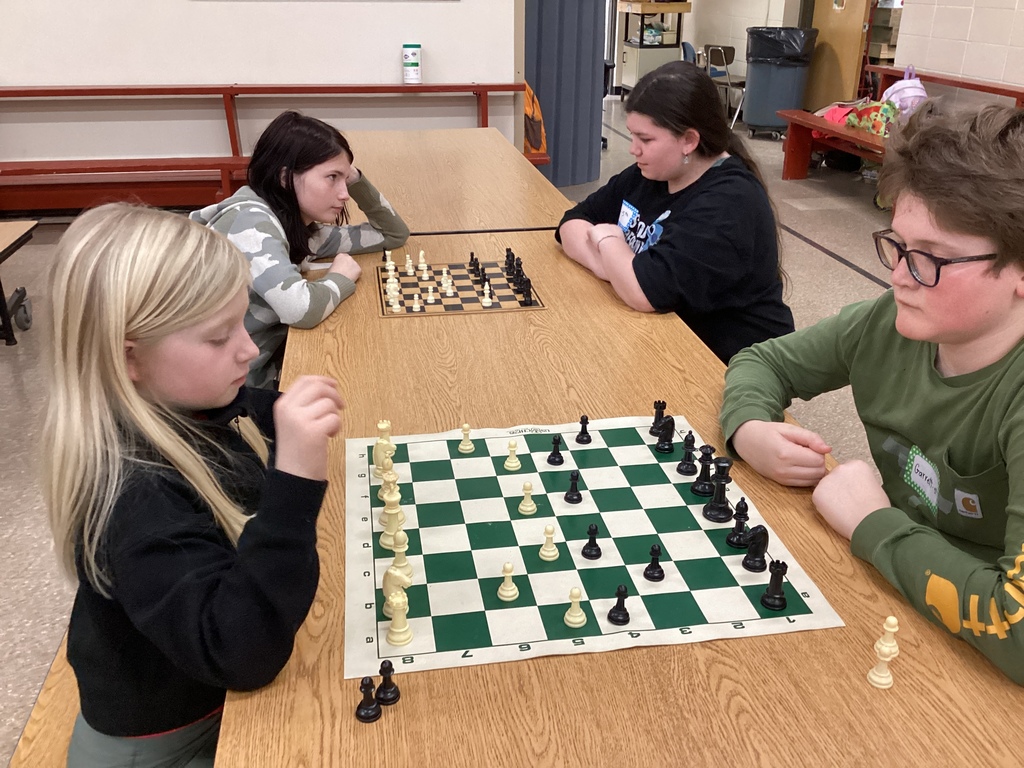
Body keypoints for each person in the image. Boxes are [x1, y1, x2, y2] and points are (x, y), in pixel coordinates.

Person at [719, 101, 1024, 684]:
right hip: (898, 602)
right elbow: (762, 361)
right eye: (898, 245)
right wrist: (750, 429)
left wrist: (871, 521)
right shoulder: (889, 321)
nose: (900, 275)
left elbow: (1017, 627)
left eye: (933, 258)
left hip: (982, 667)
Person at [42, 203, 344, 766]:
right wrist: (296, 482)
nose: (250, 350)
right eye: (218, 337)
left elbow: (250, 411)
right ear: (129, 357)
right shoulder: (132, 492)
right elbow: (241, 653)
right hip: (167, 739)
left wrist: (290, 414)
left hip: (205, 695)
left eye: (242, 323)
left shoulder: (184, 402)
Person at [555, 61, 793, 363]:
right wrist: (612, 269)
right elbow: (571, 223)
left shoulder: (730, 203)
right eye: (633, 136)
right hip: (662, 339)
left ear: (689, 141)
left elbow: (643, 293)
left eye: (646, 139)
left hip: (729, 365)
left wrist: (607, 241)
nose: (634, 149)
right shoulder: (653, 172)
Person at [191, 110, 409, 389]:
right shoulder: (251, 225)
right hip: (223, 389)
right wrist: (340, 276)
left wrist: (353, 176)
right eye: (332, 178)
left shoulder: (297, 227)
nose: (344, 193)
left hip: (252, 371)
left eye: (345, 180)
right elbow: (300, 310)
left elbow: (391, 234)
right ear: (285, 178)